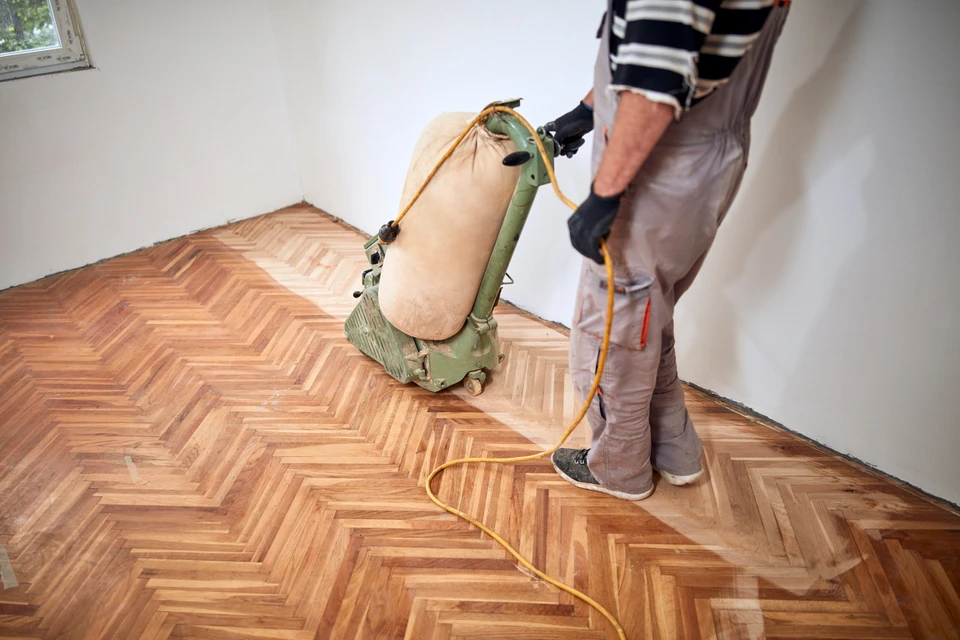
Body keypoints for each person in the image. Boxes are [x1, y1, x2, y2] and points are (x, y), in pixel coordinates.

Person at [547, 0, 790, 501]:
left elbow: (656, 85)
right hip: (709, 153)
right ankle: (674, 451)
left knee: (611, 331)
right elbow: (676, 45)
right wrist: (590, 110)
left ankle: (619, 469)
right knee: (647, 314)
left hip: (656, 163)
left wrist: (606, 192)